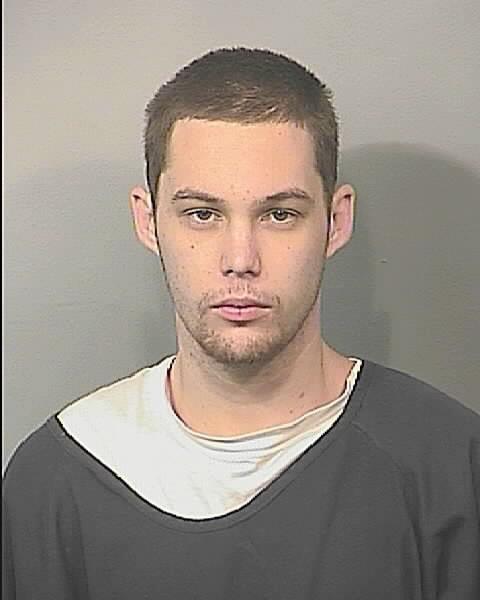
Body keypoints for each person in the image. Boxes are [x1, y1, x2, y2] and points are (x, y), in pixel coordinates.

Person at [3, 47, 479, 600]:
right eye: (202, 214)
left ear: (335, 220)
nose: (240, 259)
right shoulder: (56, 479)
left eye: (279, 214)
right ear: (148, 220)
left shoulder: (449, 467)